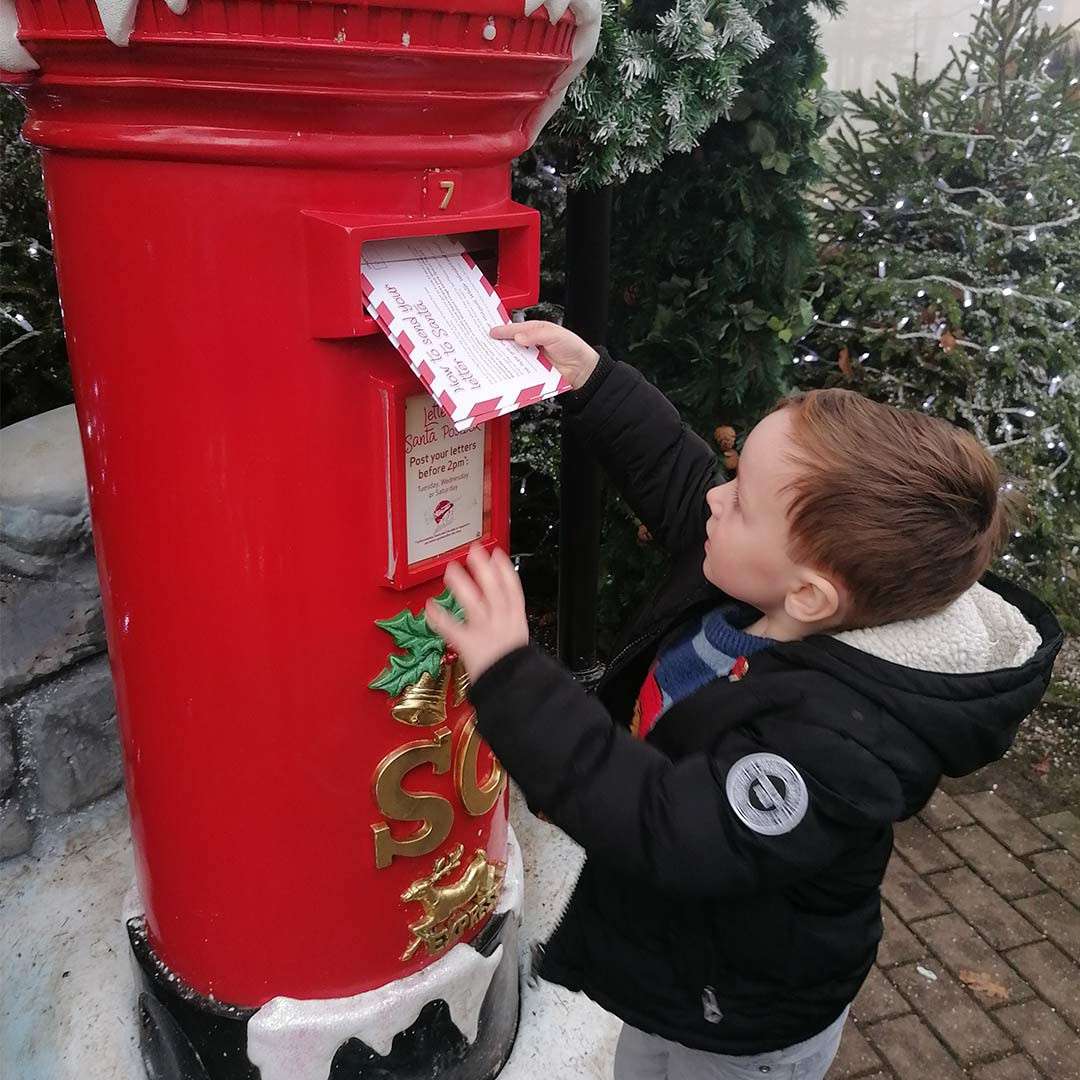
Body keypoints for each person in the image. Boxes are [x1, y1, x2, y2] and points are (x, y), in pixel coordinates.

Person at [423, 321, 1063, 1080]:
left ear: (811, 593)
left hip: (745, 1016)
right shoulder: (762, 587)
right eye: (734, 475)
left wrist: (513, 676)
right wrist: (594, 379)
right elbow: (676, 474)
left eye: (741, 499)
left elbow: (663, 820)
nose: (714, 498)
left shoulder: (831, 745)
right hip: (679, 971)